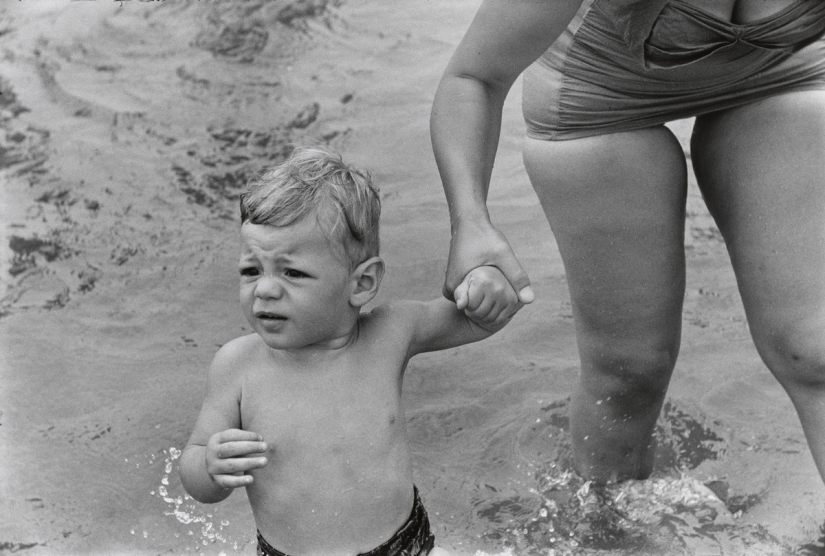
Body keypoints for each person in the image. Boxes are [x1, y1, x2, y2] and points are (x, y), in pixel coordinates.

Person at [431, 0, 825, 485]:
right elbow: (474, 76)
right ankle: (608, 527)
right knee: (628, 378)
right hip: (602, 91)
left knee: (816, 351)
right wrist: (471, 223)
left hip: (783, 70)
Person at [178, 145, 522, 556]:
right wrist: (210, 469)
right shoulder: (237, 366)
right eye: (251, 270)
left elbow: (479, 320)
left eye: (292, 272)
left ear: (361, 284)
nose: (265, 289)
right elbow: (195, 469)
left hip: (403, 546)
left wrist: (488, 286)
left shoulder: (391, 333)